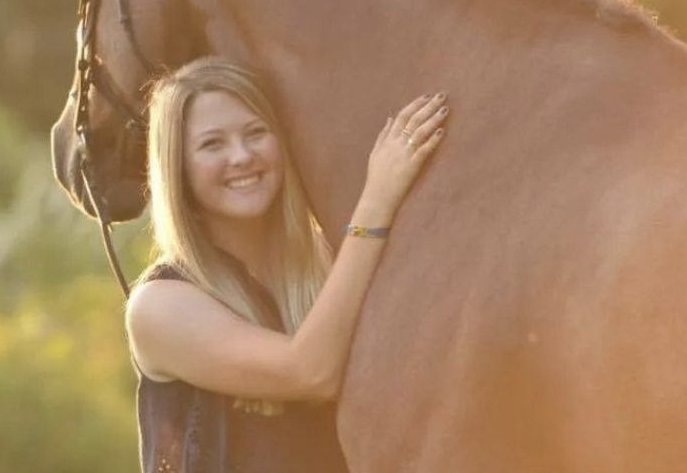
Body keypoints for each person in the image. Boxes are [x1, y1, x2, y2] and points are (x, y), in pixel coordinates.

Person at [125, 56, 449, 473]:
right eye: (213, 144)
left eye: (256, 133)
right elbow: (310, 373)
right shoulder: (160, 306)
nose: (241, 156)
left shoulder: (331, 261)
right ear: (179, 169)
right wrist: (378, 197)